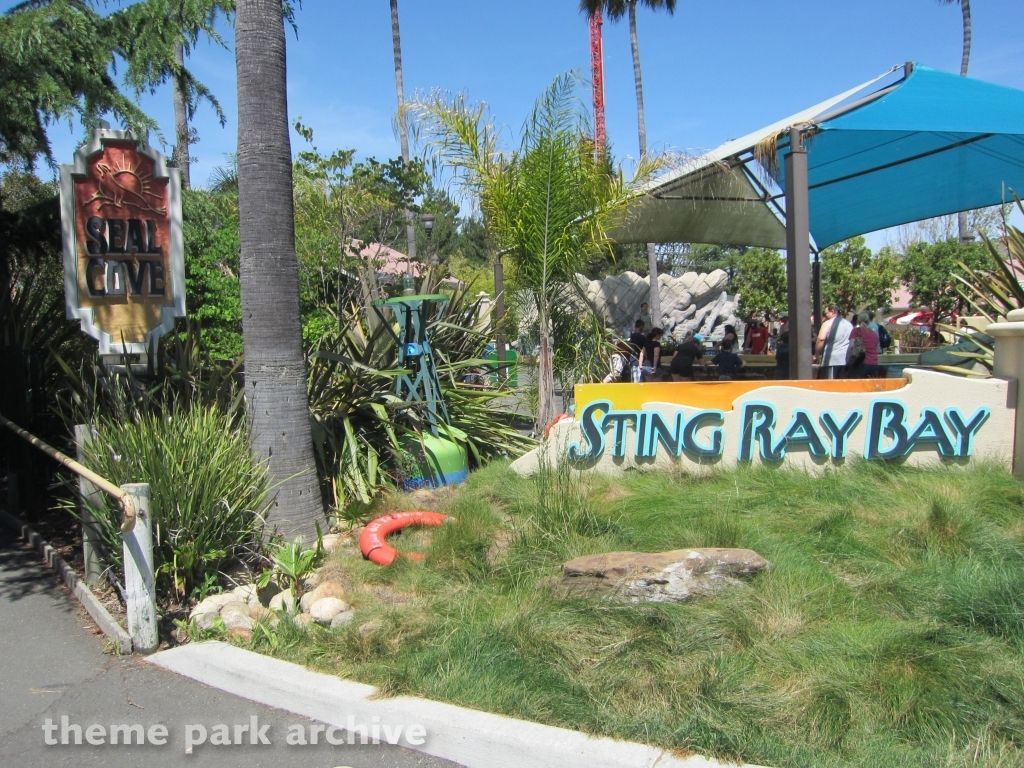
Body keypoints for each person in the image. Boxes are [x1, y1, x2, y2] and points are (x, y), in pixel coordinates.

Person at [814, 304, 852, 379]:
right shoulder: (849, 324)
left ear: (832, 312)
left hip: (831, 360)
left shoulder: (827, 324)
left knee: (830, 385)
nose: (825, 316)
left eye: (826, 313)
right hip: (845, 360)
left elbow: (821, 339)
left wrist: (816, 355)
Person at [848, 311, 881, 378]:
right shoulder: (873, 333)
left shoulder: (856, 331)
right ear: (868, 320)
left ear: (858, 320)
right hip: (874, 364)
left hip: (861, 363)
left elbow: (851, 346)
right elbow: (877, 349)